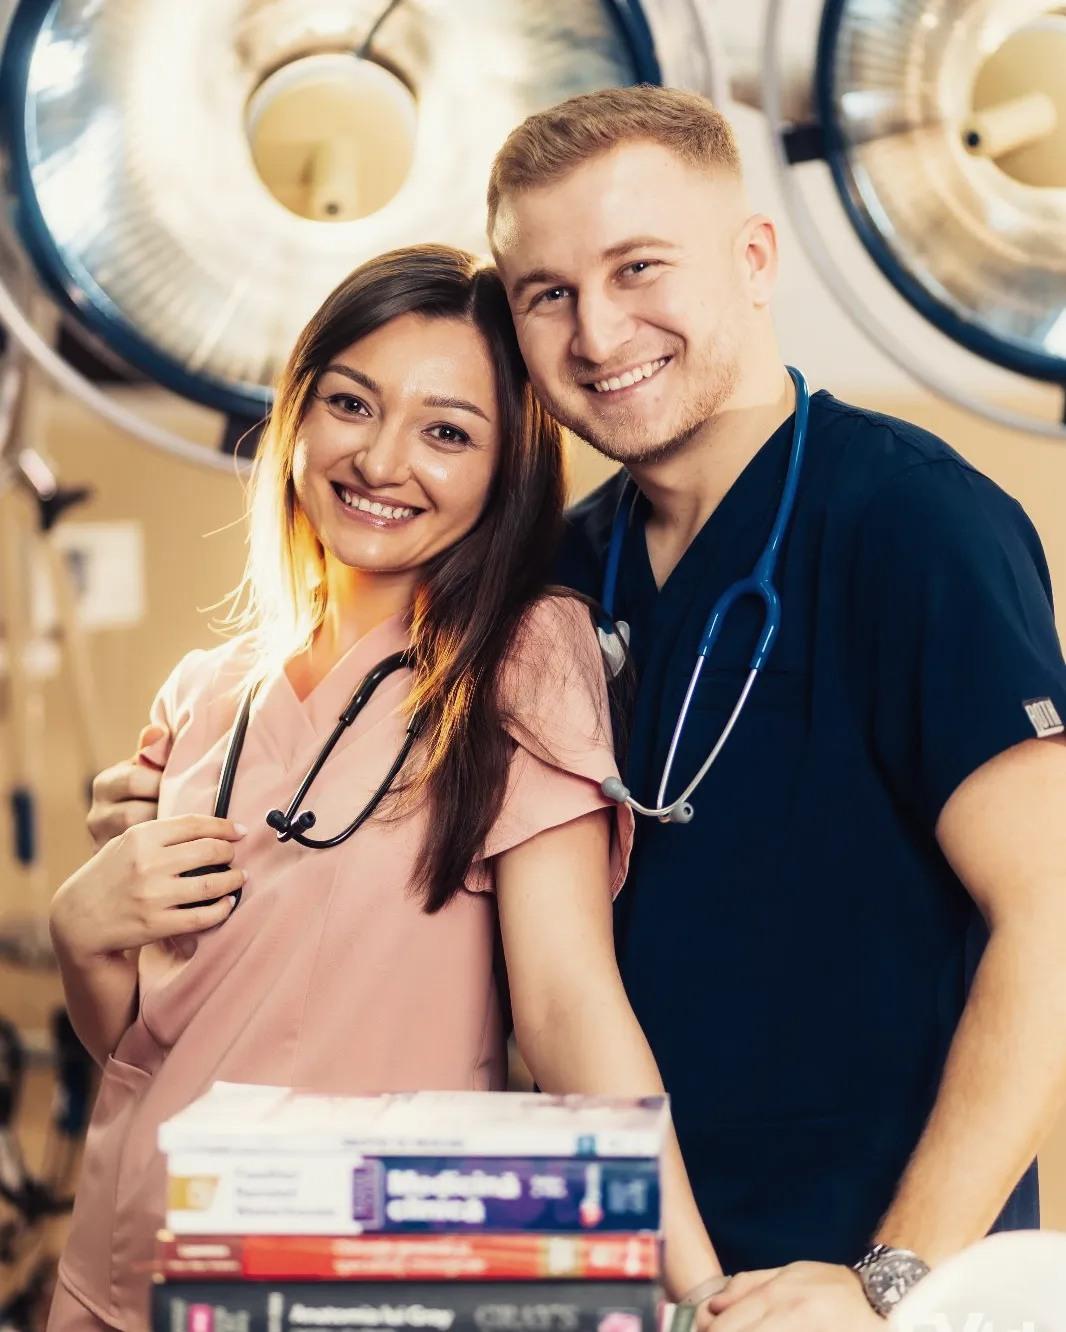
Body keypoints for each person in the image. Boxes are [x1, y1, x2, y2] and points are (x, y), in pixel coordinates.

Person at [47, 244, 719, 1332]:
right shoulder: (208, 690)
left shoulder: (520, 660)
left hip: (340, 1274)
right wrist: (82, 931)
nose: (380, 459)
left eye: (447, 431)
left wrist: (702, 1293)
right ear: (297, 413)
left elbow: (565, 1007)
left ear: (507, 469)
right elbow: (144, 1038)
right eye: (350, 404)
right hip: (119, 1258)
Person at [484, 87, 1066, 1327]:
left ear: (754, 260)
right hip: (627, 1278)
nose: (596, 332)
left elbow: (1052, 920)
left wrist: (884, 1283)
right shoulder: (554, 578)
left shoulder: (910, 523)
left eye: (639, 267)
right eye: (546, 293)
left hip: (868, 1283)